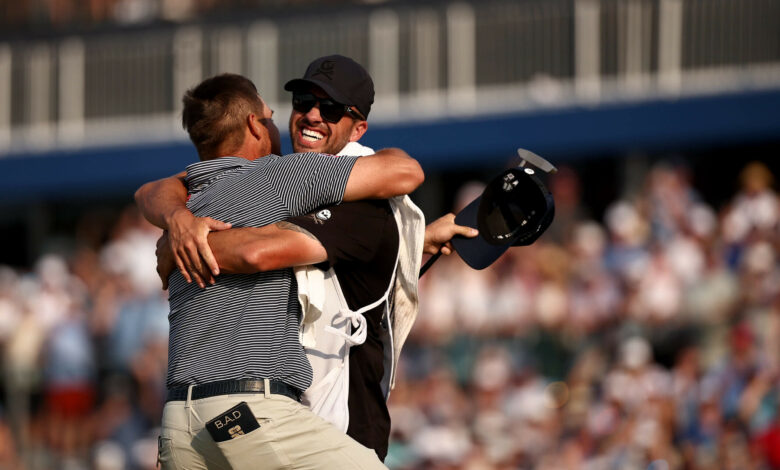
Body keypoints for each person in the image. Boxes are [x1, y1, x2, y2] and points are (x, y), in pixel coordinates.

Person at [143, 55, 476, 461]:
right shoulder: (285, 176)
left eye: (332, 109)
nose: (312, 114)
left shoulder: (192, 198)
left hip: (178, 423)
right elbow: (406, 171)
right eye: (302, 101)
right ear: (254, 126)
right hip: (250, 413)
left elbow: (149, 190)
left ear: (358, 129)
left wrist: (176, 232)